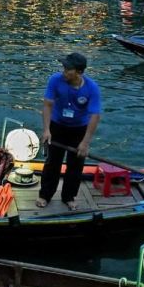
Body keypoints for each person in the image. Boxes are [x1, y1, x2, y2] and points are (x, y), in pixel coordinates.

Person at [35, 53, 102, 211]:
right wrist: (46, 130)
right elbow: (47, 105)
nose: (64, 71)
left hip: (79, 128)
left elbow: (95, 116)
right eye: (64, 68)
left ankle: (69, 196)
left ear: (79, 72)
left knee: (76, 164)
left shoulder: (92, 88)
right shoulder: (55, 80)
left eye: (68, 69)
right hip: (57, 125)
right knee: (52, 162)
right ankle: (45, 194)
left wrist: (85, 143)